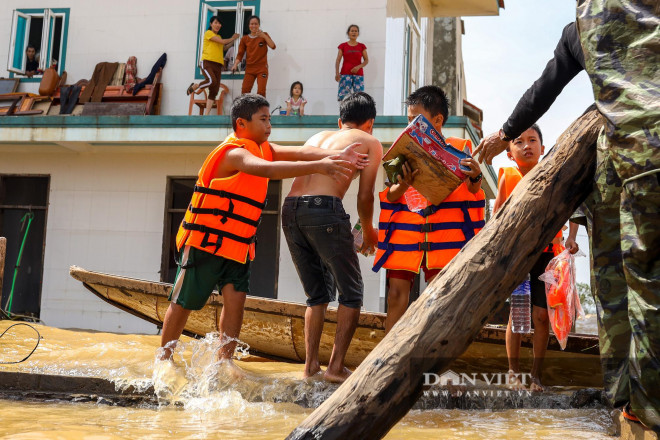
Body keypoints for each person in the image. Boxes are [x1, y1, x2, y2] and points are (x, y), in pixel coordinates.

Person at [475, 1, 658, 430]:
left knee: (619, 285)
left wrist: (503, 133)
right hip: (637, 160)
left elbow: (545, 87)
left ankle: (634, 402)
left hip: (630, 157)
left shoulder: (585, 22)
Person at [159, 94, 368, 369]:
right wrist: (322, 166)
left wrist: (337, 155)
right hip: (205, 243)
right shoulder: (234, 152)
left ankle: (224, 364)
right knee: (183, 302)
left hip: (238, 247)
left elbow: (301, 152)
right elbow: (267, 170)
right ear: (241, 123)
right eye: (263, 119)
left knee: (235, 305)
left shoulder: (263, 147)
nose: (269, 125)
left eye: (270, 119)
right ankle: (163, 361)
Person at [282, 92, 383, 383]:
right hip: (323, 210)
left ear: (341, 122)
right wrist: (369, 232)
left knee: (316, 295)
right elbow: (366, 197)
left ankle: (310, 367)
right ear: (370, 124)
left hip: (290, 210)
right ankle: (336, 368)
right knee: (351, 292)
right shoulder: (369, 142)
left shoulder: (316, 137)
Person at [372, 85, 485, 333]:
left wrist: (475, 177)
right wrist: (402, 185)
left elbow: (473, 190)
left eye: (416, 120)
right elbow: (391, 193)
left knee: (439, 301)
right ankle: (387, 362)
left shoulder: (460, 148)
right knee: (395, 297)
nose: (410, 126)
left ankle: (433, 360)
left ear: (437, 120)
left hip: (444, 238)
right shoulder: (402, 149)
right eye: (409, 120)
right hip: (408, 234)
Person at [495, 124, 580, 391]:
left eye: (533, 140)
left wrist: (572, 238)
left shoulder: (553, 176)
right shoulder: (507, 176)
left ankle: (535, 376)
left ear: (543, 149)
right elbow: (497, 214)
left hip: (548, 256)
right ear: (509, 152)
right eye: (519, 142)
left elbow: (574, 205)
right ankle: (513, 372)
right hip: (519, 257)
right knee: (518, 314)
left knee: (543, 316)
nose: (527, 146)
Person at [187, 16, 240, 115]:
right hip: (207, 62)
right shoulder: (208, 33)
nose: (218, 25)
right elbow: (223, 42)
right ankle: (196, 86)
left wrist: (233, 41)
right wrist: (233, 37)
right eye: (215, 23)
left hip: (217, 65)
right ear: (211, 24)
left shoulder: (219, 37)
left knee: (214, 90)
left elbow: (224, 48)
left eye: (219, 23)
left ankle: (206, 114)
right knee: (212, 81)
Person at [231, 16, 276, 97]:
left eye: (256, 24)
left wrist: (263, 36)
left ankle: (261, 109)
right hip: (250, 69)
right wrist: (235, 65)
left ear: (259, 25)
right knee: (245, 91)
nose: (254, 26)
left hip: (262, 68)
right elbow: (240, 54)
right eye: (252, 24)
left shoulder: (264, 35)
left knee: (261, 92)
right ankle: (246, 109)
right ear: (249, 25)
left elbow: (273, 46)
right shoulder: (244, 39)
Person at [335, 24, 369, 102]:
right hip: (345, 74)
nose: (354, 33)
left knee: (359, 98)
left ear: (358, 33)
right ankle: (343, 113)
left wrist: (358, 67)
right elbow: (338, 60)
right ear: (348, 33)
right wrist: (337, 73)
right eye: (352, 31)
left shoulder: (362, 46)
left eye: (356, 31)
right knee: (343, 98)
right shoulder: (343, 46)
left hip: (358, 75)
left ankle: (358, 114)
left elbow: (366, 60)